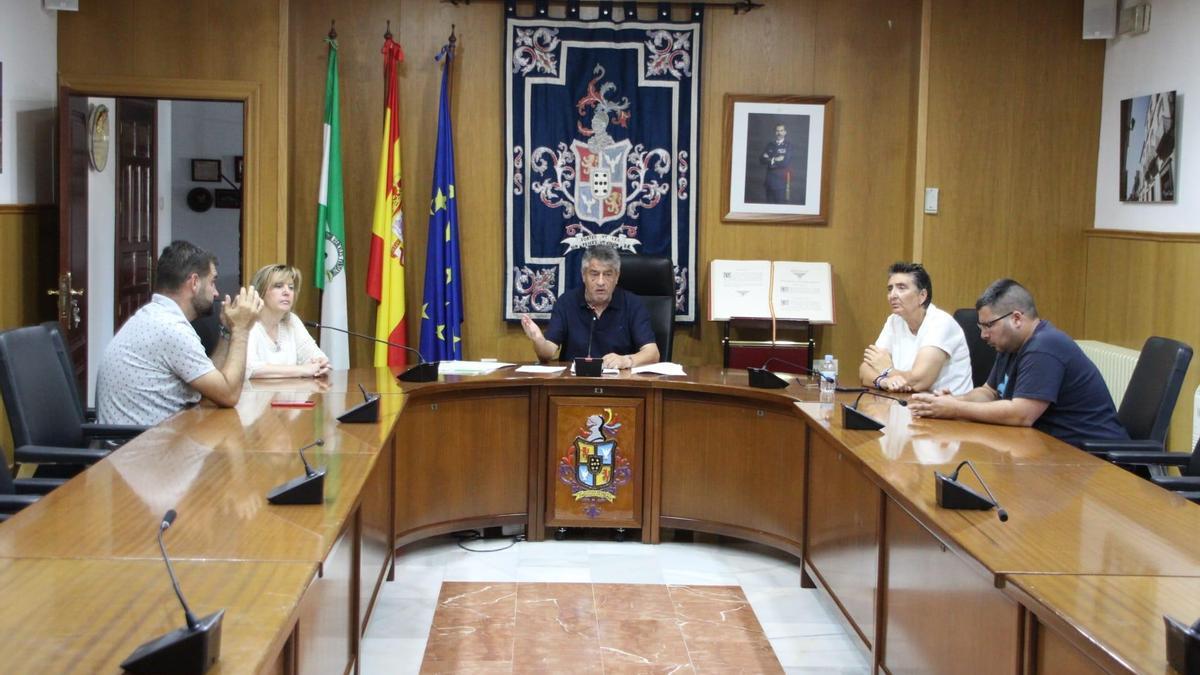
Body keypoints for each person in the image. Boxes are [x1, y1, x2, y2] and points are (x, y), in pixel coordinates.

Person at [908, 278, 1129, 448]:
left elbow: (1021, 414)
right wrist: (951, 401)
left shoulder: (1045, 346)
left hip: (1096, 458)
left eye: (988, 326)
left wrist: (956, 409)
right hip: (1049, 448)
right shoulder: (1010, 345)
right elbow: (989, 392)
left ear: (1016, 318)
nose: (983, 335)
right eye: (980, 327)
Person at [96, 241, 263, 426]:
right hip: (139, 448)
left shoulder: (158, 316)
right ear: (194, 282)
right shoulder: (170, 328)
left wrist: (227, 331)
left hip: (155, 439)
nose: (216, 293)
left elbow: (213, 387)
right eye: (212, 282)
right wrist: (241, 330)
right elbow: (229, 394)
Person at [520, 245, 660, 369]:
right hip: (574, 385)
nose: (600, 282)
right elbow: (547, 354)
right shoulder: (566, 302)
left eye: (607, 274)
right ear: (583, 275)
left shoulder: (633, 304)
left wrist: (626, 360)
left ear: (617, 277)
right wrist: (538, 340)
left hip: (620, 385)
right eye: (594, 274)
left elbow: (653, 353)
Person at [859, 262, 973, 395]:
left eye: (901, 288)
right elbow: (864, 370)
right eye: (890, 289)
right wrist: (884, 381)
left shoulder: (940, 322)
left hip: (950, 409)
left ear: (922, 296)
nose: (893, 295)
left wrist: (887, 370)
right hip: (910, 404)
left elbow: (919, 382)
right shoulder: (894, 321)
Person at [245, 264, 331, 379]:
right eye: (278, 286)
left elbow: (314, 356)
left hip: (291, 395)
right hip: (256, 395)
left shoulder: (292, 321)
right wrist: (302, 370)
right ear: (260, 291)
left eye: (291, 287)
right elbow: (250, 368)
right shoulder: (248, 322)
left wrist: (320, 363)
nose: (287, 292)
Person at [759, 123, 793, 203]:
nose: (779, 133)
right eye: (777, 131)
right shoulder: (770, 145)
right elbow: (761, 160)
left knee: (780, 208)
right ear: (775, 132)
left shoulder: (788, 146)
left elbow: (785, 163)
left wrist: (769, 159)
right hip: (769, 182)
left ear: (785, 132)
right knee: (768, 208)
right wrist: (775, 159)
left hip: (780, 183)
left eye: (781, 131)